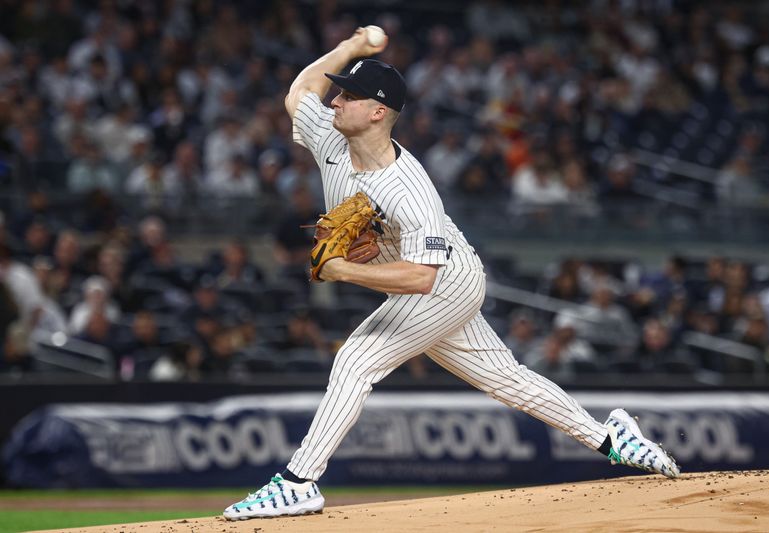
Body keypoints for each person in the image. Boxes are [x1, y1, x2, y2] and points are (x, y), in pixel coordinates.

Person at [224, 28, 680, 521]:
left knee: (357, 359)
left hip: (447, 280)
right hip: (424, 282)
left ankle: (298, 482)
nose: (334, 101)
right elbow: (299, 93)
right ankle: (612, 438)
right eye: (338, 92)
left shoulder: (409, 189)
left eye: (348, 95)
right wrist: (350, 49)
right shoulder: (330, 136)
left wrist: (342, 270)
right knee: (507, 380)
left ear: (378, 112)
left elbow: (422, 278)